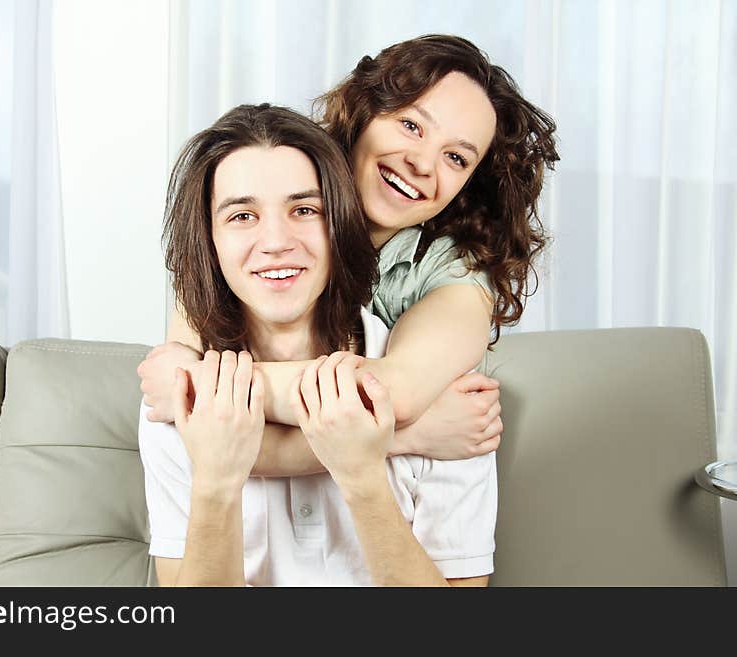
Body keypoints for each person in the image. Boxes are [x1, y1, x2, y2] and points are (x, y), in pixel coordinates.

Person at [138, 34, 558, 472]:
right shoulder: (273, 187)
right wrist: (408, 435)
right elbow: (199, 438)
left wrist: (202, 385)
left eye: (455, 157)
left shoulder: (455, 275)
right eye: (411, 126)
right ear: (364, 112)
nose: (422, 163)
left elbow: (394, 393)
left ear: (471, 183)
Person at [139, 103, 496, 586]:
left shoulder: (448, 401)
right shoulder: (175, 403)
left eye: (304, 210)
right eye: (242, 216)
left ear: (341, 225)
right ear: (210, 241)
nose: (276, 241)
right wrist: (217, 485)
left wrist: (363, 475)